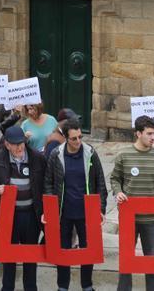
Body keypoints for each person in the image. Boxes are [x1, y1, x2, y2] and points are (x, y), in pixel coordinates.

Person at [111, 115, 154, 291]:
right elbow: (115, 179)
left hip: (151, 219)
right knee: (126, 258)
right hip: (128, 219)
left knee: (151, 258)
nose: (153, 138)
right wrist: (118, 192)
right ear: (138, 133)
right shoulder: (123, 155)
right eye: (149, 134)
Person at [44, 118, 108, 291]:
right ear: (65, 137)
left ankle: (87, 285)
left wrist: (100, 208)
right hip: (63, 213)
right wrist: (50, 208)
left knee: (88, 250)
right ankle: (62, 286)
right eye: (74, 138)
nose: (78, 141)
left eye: (80, 137)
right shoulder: (55, 154)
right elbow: (48, 182)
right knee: (62, 250)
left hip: (86, 213)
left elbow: (100, 183)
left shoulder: (90, 153)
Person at [0, 124, 46, 291]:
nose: (19, 146)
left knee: (30, 256)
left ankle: (30, 288)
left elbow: (46, 185)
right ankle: (7, 288)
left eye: (21, 142)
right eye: (15, 144)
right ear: (7, 144)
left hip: (31, 215)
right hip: (9, 216)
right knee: (9, 257)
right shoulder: (0, 157)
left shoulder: (37, 158)